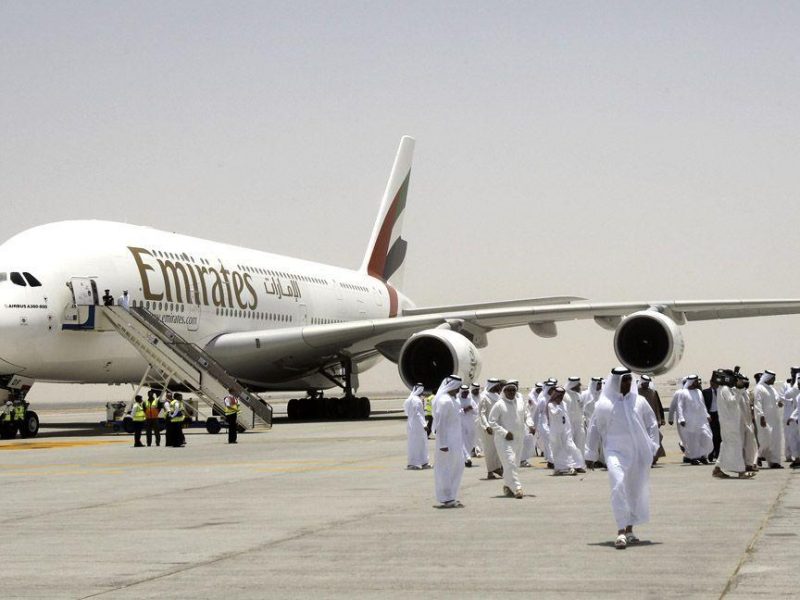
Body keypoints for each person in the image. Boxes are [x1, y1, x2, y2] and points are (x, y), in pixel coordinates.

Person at [585, 368, 659, 550]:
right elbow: (594, 428)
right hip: (614, 452)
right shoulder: (604, 404)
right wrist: (591, 454)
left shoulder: (639, 401)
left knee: (634, 490)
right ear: (615, 382)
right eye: (623, 380)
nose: (627, 383)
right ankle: (620, 531)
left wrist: (653, 446)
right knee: (618, 485)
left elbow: (652, 423)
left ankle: (629, 529)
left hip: (637, 452)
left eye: (628, 380)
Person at [488, 380, 532, 498]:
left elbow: (526, 415)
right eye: (509, 390)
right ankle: (517, 488)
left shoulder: (520, 402)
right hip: (504, 440)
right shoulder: (499, 404)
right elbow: (491, 421)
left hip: (518, 439)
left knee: (513, 465)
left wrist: (530, 424)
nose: (511, 392)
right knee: (510, 463)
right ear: (504, 391)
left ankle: (508, 486)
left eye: (513, 390)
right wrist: (504, 432)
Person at [712, 369, 755, 479]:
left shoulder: (725, 389)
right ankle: (741, 472)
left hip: (730, 423)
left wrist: (738, 389)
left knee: (726, 446)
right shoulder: (725, 389)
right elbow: (732, 402)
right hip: (729, 424)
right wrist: (739, 390)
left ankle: (717, 469)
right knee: (735, 446)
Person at [432, 375, 465, 508]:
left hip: (455, 440)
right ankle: (446, 497)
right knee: (446, 468)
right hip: (447, 442)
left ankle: (451, 495)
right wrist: (443, 444)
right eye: (457, 388)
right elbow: (440, 424)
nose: (458, 391)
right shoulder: (444, 401)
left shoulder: (452, 400)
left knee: (457, 466)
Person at [547, 386, 586, 475]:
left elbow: (566, 417)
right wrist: (558, 405)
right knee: (558, 450)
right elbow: (555, 413)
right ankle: (560, 468)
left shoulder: (564, 404)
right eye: (558, 396)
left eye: (561, 396)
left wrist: (569, 429)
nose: (560, 398)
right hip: (556, 432)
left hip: (565, 431)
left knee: (571, 448)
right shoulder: (550, 405)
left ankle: (576, 465)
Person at [676, 375, 713, 465]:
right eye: (696, 381)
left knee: (707, 436)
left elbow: (702, 404)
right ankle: (694, 457)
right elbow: (679, 406)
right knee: (693, 440)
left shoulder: (698, 392)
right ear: (692, 382)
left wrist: (707, 415)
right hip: (689, 420)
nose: (698, 383)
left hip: (700, 419)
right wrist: (681, 418)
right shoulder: (683, 393)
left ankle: (704, 455)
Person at [754, 370, 783, 468]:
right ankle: (758, 456)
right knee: (766, 439)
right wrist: (761, 416)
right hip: (764, 419)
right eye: (773, 378)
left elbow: (776, 400)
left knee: (775, 440)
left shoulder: (772, 389)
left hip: (774, 419)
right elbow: (757, 403)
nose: (774, 380)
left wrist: (779, 403)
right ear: (768, 378)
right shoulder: (759, 388)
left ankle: (774, 462)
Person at [478, 378, 505, 479]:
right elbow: (482, 413)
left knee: (498, 448)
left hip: (497, 426)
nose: (498, 387)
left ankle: (496, 468)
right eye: (496, 385)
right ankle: (491, 470)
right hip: (488, 428)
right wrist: (486, 426)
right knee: (490, 450)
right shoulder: (484, 396)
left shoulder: (498, 396)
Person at [638, 375, 666, 464]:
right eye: (645, 383)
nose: (646, 384)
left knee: (656, 437)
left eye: (647, 383)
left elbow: (657, 406)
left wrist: (660, 419)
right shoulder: (636, 393)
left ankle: (654, 456)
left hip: (651, 420)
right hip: (640, 421)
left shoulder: (652, 392)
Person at [403, 383, 430, 470]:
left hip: (413, 424)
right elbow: (418, 413)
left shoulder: (410, 399)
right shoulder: (416, 400)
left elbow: (407, 411)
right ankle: (414, 463)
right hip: (417, 425)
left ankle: (423, 462)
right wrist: (424, 424)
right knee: (417, 444)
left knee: (419, 443)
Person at [780, 370, 800, 463]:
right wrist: (793, 417)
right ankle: (795, 457)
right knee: (791, 437)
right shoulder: (788, 385)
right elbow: (786, 396)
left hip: (796, 418)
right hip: (792, 417)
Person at [564, 377, 586, 457]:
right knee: (570, 444)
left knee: (580, 444)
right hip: (569, 424)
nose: (579, 387)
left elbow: (581, 409)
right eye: (578, 385)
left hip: (579, 424)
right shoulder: (565, 396)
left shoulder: (578, 395)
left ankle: (580, 464)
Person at [702, 374, 722, 462]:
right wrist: (706, 415)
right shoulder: (705, 392)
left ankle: (717, 453)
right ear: (711, 383)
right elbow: (703, 405)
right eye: (713, 383)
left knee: (720, 436)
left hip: (720, 415)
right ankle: (711, 453)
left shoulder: (721, 392)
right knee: (712, 435)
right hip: (711, 416)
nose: (715, 384)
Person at [457, 385, 477, 467]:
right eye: (464, 392)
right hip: (460, 423)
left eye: (467, 392)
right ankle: (467, 458)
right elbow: (455, 412)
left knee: (470, 442)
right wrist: (464, 410)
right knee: (461, 441)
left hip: (470, 424)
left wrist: (471, 409)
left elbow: (476, 411)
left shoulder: (470, 400)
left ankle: (466, 457)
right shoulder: (457, 400)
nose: (465, 393)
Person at [469, 383, 484, 457]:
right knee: (471, 437)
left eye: (478, 389)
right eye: (475, 389)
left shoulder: (481, 397)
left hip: (480, 421)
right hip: (470, 421)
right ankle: (472, 451)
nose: (477, 391)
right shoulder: (468, 397)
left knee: (479, 437)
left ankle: (478, 450)